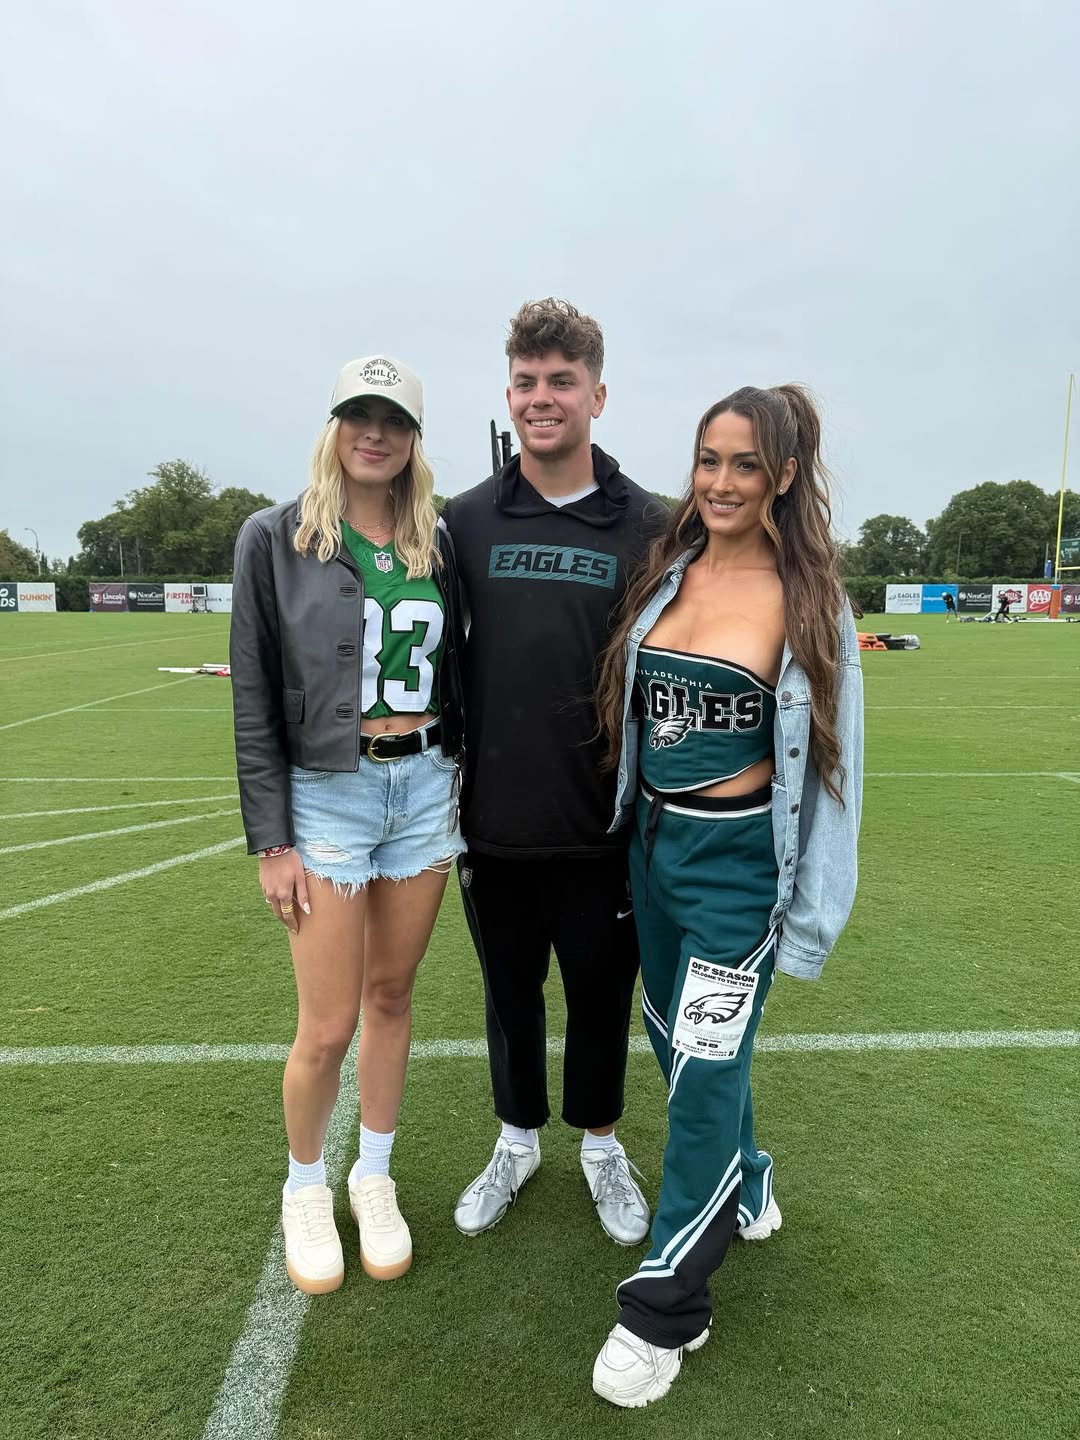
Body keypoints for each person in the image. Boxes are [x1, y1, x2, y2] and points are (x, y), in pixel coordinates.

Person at [590, 384, 864, 1407]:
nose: (720, 482)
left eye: (744, 464)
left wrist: (810, 914)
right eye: (709, 459)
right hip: (653, 848)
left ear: (784, 476)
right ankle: (748, 1177)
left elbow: (835, 775)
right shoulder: (671, 570)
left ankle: (665, 1309)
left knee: (703, 1077)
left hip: (739, 869)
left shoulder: (811, 603)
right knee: (671, 1038)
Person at [230, 356, 466, 1293]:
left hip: (425, 790)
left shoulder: (438, 544)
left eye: (394, 420)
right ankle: (303, 1185)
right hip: (326, 794)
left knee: (394, 998)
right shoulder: (274, 537)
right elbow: (253, 695)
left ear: (414, 440)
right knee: (324, 1025)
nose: (375, 433)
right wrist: (272, 839)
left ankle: (373, 1173)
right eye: (358, 415)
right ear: (334, 427)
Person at [441, 299, 670, 1246]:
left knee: (600, 995)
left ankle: (604, 1145)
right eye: (528, 383)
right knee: (509, 995)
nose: (543, 399)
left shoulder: (650, 524)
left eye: (562, 381)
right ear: (508, 394)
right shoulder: (461, 519)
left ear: (598, 394)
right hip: (492, 816)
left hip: (604, 824)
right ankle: (516, 1138)